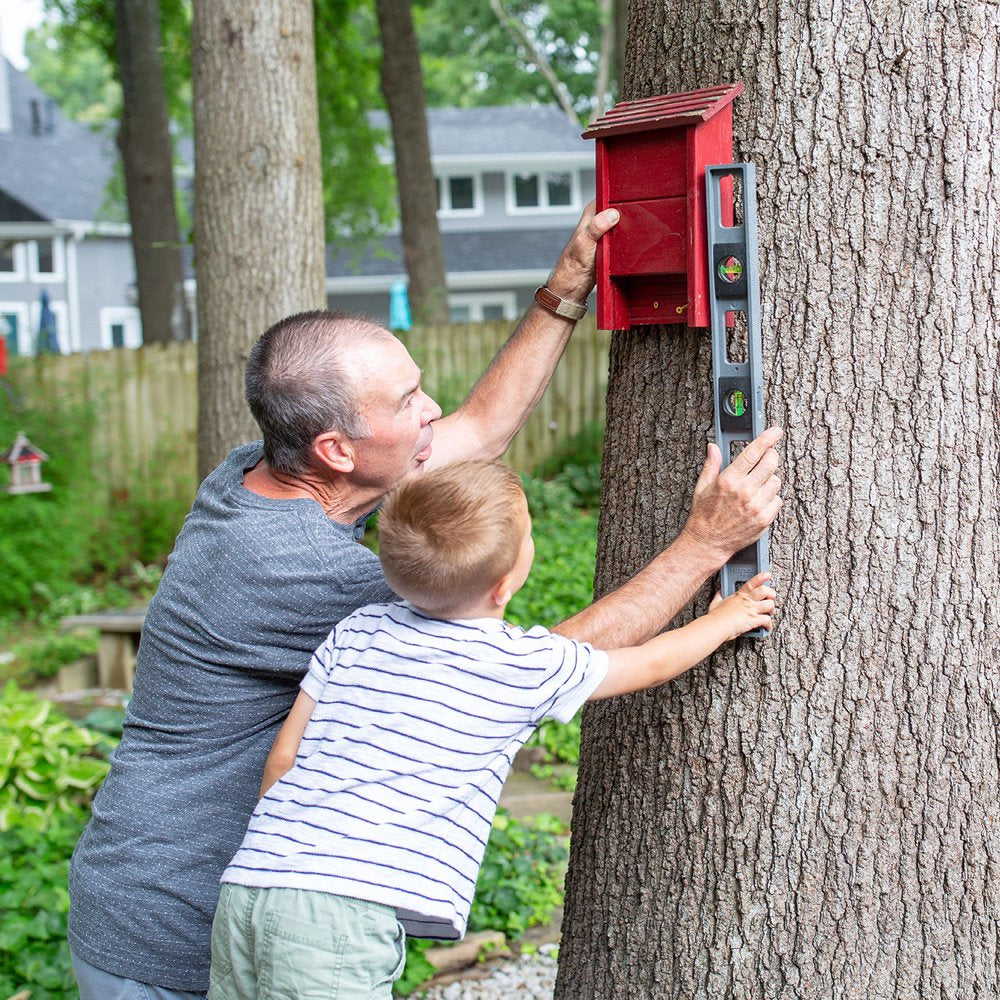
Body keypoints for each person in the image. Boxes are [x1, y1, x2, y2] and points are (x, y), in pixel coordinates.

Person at [68, 202, 783, 999]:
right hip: (172, 929)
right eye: (407, 401)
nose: (431, 411)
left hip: (212, 902)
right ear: (336, 450)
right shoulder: (299, 571)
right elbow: (530, 665)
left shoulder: (257, 474)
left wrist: (563, 292)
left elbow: (477, 432)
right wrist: (704, 546)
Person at [207, 460, 776, 999]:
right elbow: (647, 664)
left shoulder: (359, 630)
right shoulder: (520, 663)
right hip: (343, 910)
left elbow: (284, 758)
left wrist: (289, 854)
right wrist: (723, 621)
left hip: (250, 883)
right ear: (504, 586)